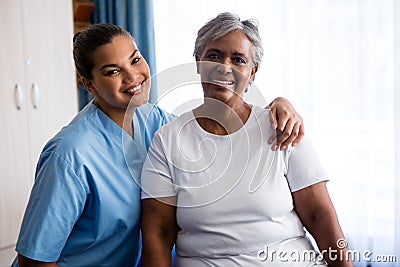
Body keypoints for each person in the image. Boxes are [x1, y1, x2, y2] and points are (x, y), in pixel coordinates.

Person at [11, 24, 305, 267]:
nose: (132, 77)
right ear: (88, 84)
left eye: (135, 59)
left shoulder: (155, 121)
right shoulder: (70, 155)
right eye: (112, 71)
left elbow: (214, 128)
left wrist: (276, 106)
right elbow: (34, 259)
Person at [140, 12, 353, 267]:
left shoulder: (282, 127)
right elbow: (158, 233)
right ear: (198, 62)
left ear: (252, 72)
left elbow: (320, 216)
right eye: (214, 55)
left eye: (238, 59)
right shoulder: (168, 140)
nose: (224, 66)